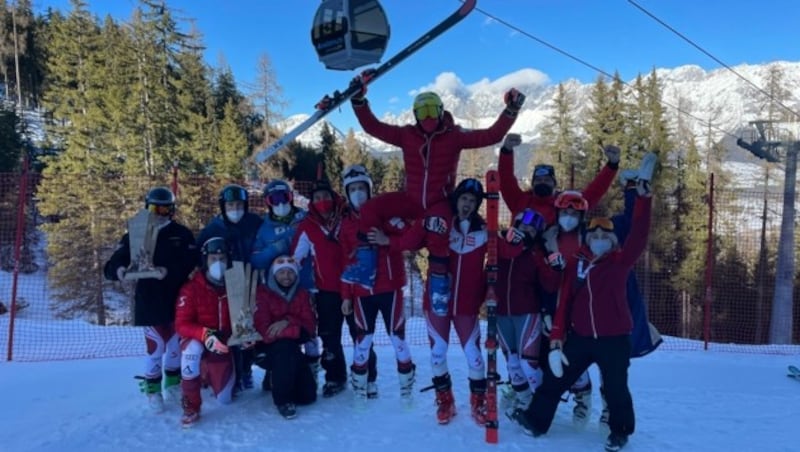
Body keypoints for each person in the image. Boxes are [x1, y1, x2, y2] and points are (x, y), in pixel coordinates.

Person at [342, 78, 525, 308]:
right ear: (415, 114)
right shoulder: (406, 135)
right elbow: (373, 127)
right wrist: (359, 101)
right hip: (410, 199)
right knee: (370, 208)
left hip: (439, 202)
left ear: (441, 111)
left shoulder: (454, 136)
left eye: (431, 110)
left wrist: (511, 110)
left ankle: (439, 283)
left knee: (439, 227)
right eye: (422, 111)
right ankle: (366, 263)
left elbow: (491, 135)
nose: (427, 117)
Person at [515, 179, 654, 452]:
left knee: (616, 389)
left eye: (605, 237)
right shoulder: (577, 263)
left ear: (612, 241)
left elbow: (639, 233)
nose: (599, 241)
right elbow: (564, 300)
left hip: (614, 339)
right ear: (588, 238)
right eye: (595, 237)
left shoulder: (620, 261)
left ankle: (620, 431)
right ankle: (535, 421)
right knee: (556, 380)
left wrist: (644, 201)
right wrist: (556, 337)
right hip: (580, 336)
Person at [103, 186, 198, 413]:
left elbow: (191, 262)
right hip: (150, 300)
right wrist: (119, 271)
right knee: (155, 346)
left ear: (171, 211)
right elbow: (115, 261)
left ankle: (173, 384)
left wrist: (168, 271)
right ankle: (153, 390)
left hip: (177, 297)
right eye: (154, 208)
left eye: (164, 209)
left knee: (175, 346)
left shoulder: (181, 234)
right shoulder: (135, 233)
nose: (158, 214)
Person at [420, 178, 489, 425]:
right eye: (464, 199)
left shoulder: (484, 232)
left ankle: (478, 401)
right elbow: (414, 237)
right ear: (456, 200)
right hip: (438, 301)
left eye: (472, 200)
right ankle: (445, 399)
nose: (467, 204)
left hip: (466, 305)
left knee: (474, 354)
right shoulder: (442, 226)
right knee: (438, 352)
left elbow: (496, 264)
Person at [338, 164, 410, 402]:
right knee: (363, 339)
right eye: (353, 189)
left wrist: (386, 238)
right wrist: (346, 295)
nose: (358, 193)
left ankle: (406, 390)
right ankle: (361, 385)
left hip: (389, 287)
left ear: (369, 189)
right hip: (362, 291)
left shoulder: (385, 214)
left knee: (397, 338)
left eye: (362, 188)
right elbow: (345, 262)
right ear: (347, 193)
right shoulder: (346, 223)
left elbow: (409, 236)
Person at [196, 184, 263, 393]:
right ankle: (231, 373)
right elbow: (200, 254)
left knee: (250, 326)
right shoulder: (213, 229)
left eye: (239, 205)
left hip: (252, 280)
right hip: (226, 283)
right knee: (231, 327)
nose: (235, 209)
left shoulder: (254, 223)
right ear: (223, 207)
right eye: (231, 205)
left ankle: (247, 370)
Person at [495, 208, 560, 419]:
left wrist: (552, 258)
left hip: (527, 312)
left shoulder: (536, 253)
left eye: (533, 228)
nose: (528, 230)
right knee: (512, 362)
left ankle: (540, 405)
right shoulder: (501, 244)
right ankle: (524, 401)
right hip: (501, 312)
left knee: (528, 364)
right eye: (524, 225)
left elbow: (550, 285)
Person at [291, 179, 354, 397]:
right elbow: (296, 257)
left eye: (326, 196)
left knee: (360, 333)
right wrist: (287, 282)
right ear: (312, 202)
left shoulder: (347, 216)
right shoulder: (308, 225)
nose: (322, 201)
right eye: (317, 198)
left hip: (354, 286)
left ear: (333, 196)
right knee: (329, 336)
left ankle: (366, 375)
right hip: (327, 290)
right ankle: (335, 377)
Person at [251, 179, 314, 391]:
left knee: (310, 330)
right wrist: (277, 247)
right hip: (279, 289)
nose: (280, 203)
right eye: (274, 199)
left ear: (291, 197)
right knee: (278, 330)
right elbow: (256, 259)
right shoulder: (265, 228)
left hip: (308, 283)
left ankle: (311, 371)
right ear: (268, 202)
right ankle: (274, 372)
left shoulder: (304, 217)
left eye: (284, 198)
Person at [174, 237, 237, 427]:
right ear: (205, 260)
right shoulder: (191, 288)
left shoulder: (236, 285)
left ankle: (209, 373)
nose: (218, 263)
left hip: (223, 342)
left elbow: (245, 317)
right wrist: (204, 334)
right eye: (213, 258)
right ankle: (191, 404)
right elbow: (181, 324)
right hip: (199, 338)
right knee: (190, 351)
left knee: (224, 399)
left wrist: (244, 335)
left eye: (222, 258)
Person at [498, 133, 619, 226]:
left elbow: (594, 192)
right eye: (539, 180)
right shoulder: (519, 201)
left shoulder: (565, 203)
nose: (542, 182)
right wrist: (506, 151)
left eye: (547, 180)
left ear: (554, 184)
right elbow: (506, 179)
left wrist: (612, 165)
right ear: (533, 183)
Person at [253, 255, 318, 419]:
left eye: (290, 273)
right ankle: (283, 400)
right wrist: (295, 329)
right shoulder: (262, 293)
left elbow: (309, 327)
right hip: (264, 349)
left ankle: (274, 379)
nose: (286, 277)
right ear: (274, 274)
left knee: (307, 397)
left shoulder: (301, 294)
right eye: (281, 273)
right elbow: (264, 332)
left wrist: (287, 322)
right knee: (286, 347)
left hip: (291, 347)